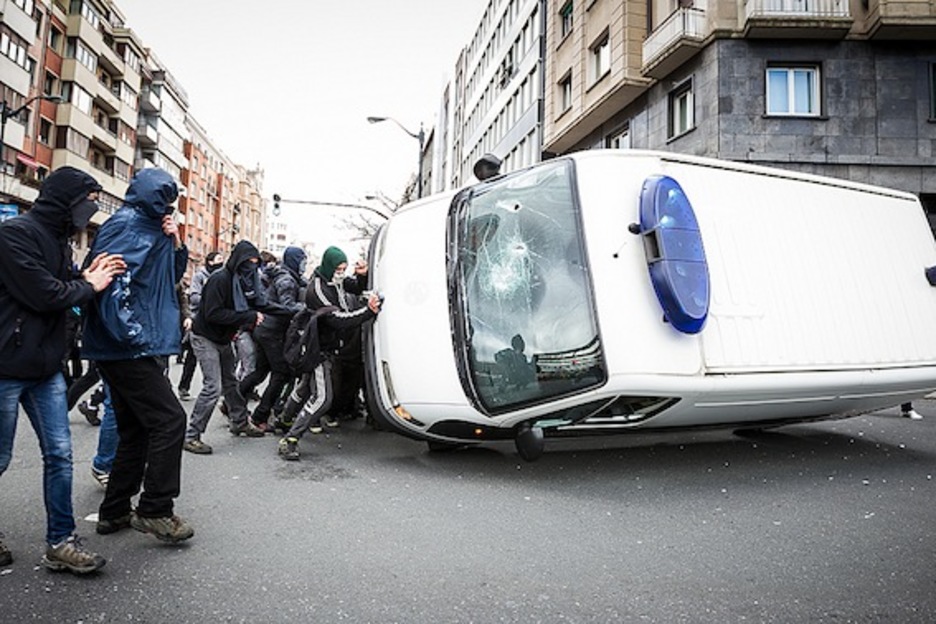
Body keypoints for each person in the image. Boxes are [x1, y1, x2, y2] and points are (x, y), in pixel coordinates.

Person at [0, 166, 124, 573]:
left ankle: (61, 542)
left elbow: (65, 281)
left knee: (59, 455)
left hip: (46, 367)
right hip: (5, 366)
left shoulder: (59, 240)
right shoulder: (14, 233)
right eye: (88, 200)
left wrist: (84, 276)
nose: (92, 208)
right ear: (65, 199)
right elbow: (45, 294)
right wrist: (90, 284)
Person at [82, 167, 194, 544]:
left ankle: (115, 510)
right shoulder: (129, 225)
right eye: (165, 198)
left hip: (132, 343)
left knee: (136, 428)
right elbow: (114, 284)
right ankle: (155, 509)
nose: (169, 206)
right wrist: (132, 336)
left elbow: (170, 277)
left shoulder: (151, 225)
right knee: (170, 420)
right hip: (128, 346)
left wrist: (175, 242)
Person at [184, 240, 270, 454]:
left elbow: (260, 304)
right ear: (239, 260)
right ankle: (191, 435)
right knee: (213, 387)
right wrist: (248, 317)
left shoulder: (244, 282)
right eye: (248, 261)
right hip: (205, 336)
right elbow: (213, 313)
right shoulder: (220, 279)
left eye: (255, 262)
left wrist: (290, 310)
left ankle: (239, 422)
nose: (252, 266)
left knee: (230, 382)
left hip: (224, 338)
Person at [278, 292, 383, 460]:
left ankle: (285, 419)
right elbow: (339, 319)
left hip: (315, 348)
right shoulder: (321, 291)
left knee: (304, 389)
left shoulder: (326, 288)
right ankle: (291, 438)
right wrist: (369, 311)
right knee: (322, 399)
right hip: (319, 353)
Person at [240, 246, 307, 432]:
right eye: (302, 261)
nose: (304, 265)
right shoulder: (287, 281)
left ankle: (232, 403)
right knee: (282, 373)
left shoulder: (283, 275)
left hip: (264, 329)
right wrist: (306, 307)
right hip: (273, 331)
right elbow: (288, 307)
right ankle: (260, 416)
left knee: (260, 371)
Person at [306, 246, 369, 425]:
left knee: (312, 389)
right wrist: (368, 312)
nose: (341, 273)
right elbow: (335, 319)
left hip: (337, 342)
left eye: (344, 269)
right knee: (322, 393)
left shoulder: (337, 281)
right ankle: (302, 424)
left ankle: (291, 419)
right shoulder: (318, 289)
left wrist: (362, 276)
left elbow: (357, 287)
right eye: (338, 269)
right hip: (322, 344)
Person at [178, 251, 224, 400]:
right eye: (219, 259)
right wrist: (212, 299)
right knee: (192, 358)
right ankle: (184, 387)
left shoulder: (222, 277)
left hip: (215, 321)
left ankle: (217, 389)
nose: (221, 262)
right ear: (210, 262)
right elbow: (194, 297)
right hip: (199, 319)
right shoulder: (200, 276)